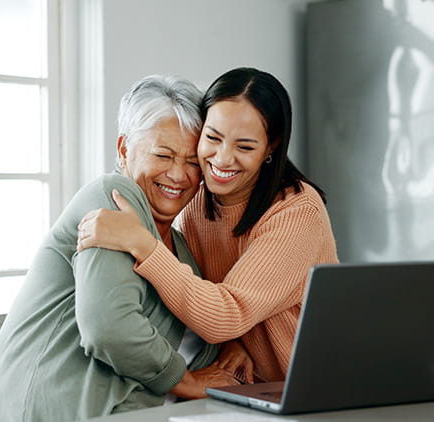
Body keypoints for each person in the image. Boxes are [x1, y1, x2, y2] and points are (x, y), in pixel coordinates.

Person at [0, 75, 246, 422]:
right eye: (163, 154)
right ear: (124, 149)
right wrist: (186, 382)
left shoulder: (178, 241)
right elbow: (108, 327)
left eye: (192, 162)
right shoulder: (114, 196)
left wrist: (227, 349)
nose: (179, 175)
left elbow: (187, 325)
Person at [77, 67, 339, 383]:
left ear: (271, 147)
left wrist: (144, 244)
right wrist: (231, 346)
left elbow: (226, 314)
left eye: (244, 146)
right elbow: (192, 293)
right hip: (251, 391)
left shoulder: (296, 211)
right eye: (212, 138)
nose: (222, 159)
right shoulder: (196, 199)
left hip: (317, 389)